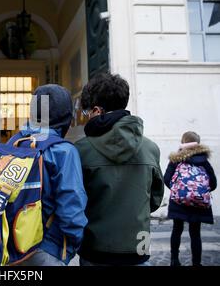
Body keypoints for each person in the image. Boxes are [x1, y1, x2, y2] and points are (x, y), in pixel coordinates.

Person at [74, 73, 164, 266]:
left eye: (87, 112)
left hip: (95, 249)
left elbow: (74, 203)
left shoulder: (81, 150)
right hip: (138, 248)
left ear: (97, 111)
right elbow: (155, 200)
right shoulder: (150, 149)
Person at [15, 84, 88, 266]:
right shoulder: (63, 151)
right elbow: (72, 211)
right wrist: (71, 245)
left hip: (8, 244)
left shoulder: (13, 142)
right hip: (44, 248)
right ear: (66, 118)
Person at [164, 131, 217, 266]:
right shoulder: (204, 161)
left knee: (177, 229)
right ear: (197, 144)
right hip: (198, 203)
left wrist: (180, 190)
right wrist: (198, 192)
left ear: (183, 142)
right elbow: (213, 183)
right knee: (195, 233)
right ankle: (196, 262)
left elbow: (167, 179)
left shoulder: (176, 160)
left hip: (178, 201)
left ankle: (174, 260)